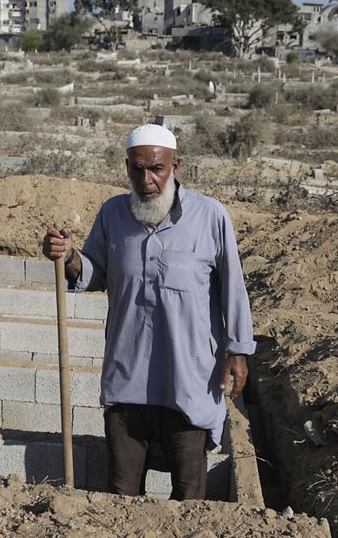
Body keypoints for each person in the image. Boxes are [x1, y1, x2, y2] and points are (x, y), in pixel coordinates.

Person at [41, 124, 255, 500]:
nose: (147, 180)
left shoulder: (211, 218)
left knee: (189, 496)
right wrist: (69, 257)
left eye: (156, 168)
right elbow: (94, 273)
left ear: (176, 165)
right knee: (121, 494)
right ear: (127, 168)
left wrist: (238, 351)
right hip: (128, 378)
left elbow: (233, 289)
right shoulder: (112, 214)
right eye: (137, 169)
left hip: (189, 379)